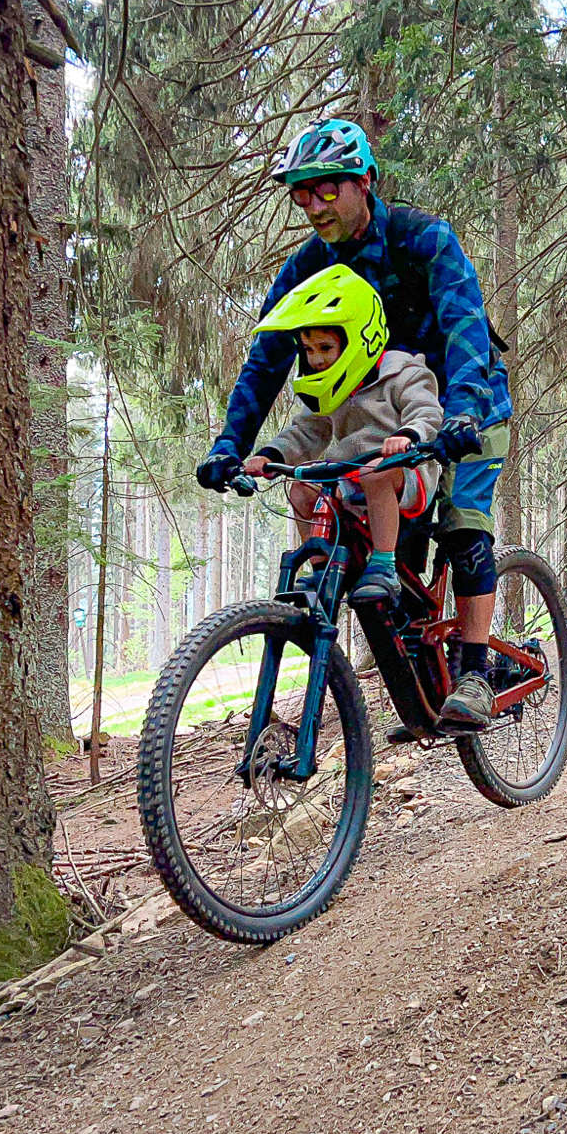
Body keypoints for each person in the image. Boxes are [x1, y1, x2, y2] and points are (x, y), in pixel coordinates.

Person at [197, 119, 512, 729]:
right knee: (389, 562)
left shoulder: (424, 239)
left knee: (462, 526)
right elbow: (267, 359)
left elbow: (465, 328)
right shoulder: (307, 267)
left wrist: (464, 411)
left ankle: (475, 672)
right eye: (302, 194)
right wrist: (232, 444)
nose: (314, 206)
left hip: (460, 407)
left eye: (326, 190)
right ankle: (425, 694)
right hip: (377, 424)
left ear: (364, 181)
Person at [239, 264, 444, 607]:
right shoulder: (331, 385)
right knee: (302, 488)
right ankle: (321, 567)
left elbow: (427, 412)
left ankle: (384, 565)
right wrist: (271, 456)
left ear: (357, 340)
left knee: (375, 473)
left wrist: (408, 434)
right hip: (348, 475)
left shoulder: (403, 372)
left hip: (407, 471)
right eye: (309, 350)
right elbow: (307, 431)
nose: (316, 359)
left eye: (325, 347)